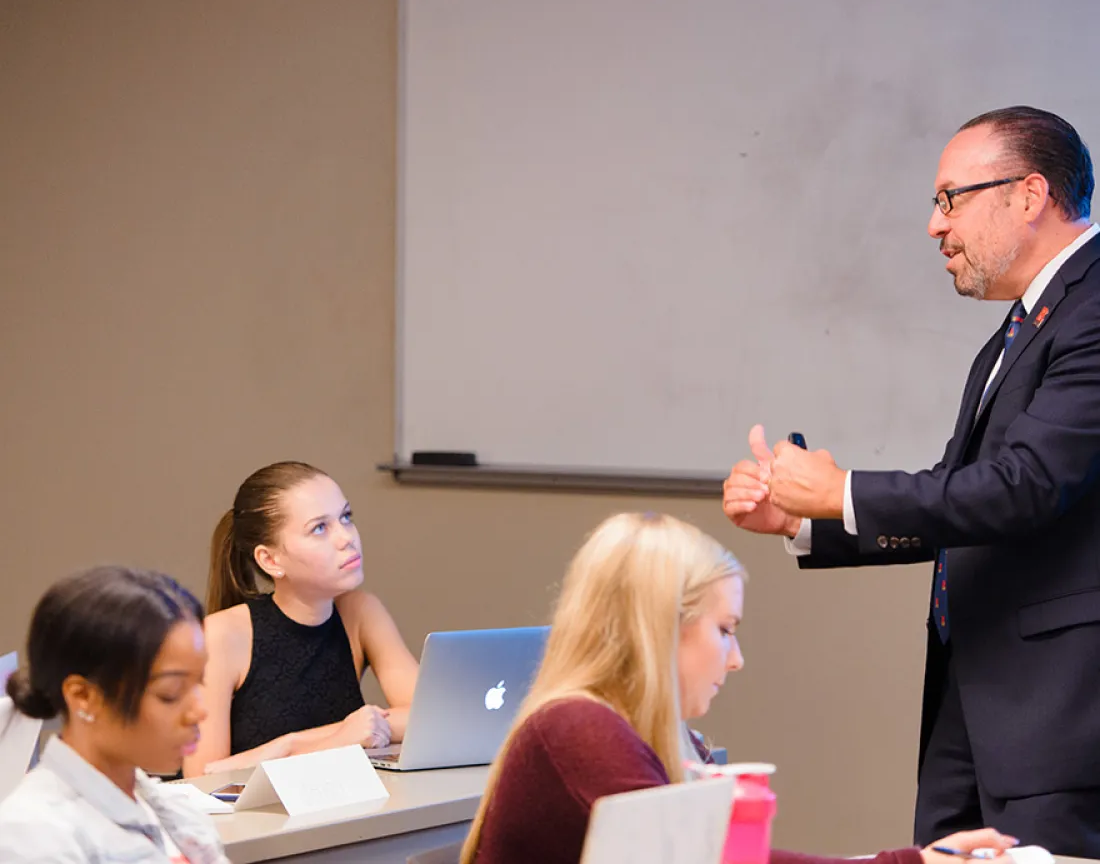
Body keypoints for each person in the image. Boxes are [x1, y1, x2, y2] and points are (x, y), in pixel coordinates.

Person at [722, 106, 1100, 855]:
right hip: (978, 710)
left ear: (1028, 195)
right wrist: (803, 521)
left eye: (950, 198)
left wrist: (840, 491)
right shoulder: (1022, 328)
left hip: (1057, 717)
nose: (935, 226)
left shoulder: (1092, 310)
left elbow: (1022, 487)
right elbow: (959, 495)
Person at [459, 512, 1016, 864]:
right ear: (661, 627)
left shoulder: (637, 732)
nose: (737, 659)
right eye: (724, 632)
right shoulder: (578, 730)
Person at [185, 461, 419, 777]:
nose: (346, 538)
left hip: (344, 812)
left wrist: (299, 744)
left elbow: (430, 716)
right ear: (270, 560)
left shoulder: (360, 611)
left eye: (346, 518)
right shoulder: (221, 635)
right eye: (320, 528)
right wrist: (326, 742)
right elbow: (201, 778)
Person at [0, 567, 228, 863]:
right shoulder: (32, 836)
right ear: (84, 696)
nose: (199, 711)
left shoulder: (177, 812)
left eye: (199, 683)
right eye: (170, 693)